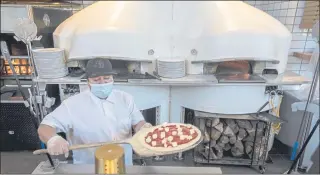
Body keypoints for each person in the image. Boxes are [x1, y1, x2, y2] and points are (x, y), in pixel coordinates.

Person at [38, 58, 152, 164]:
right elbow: (45, 127)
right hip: (89, 168)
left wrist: (143, 128)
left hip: (123, 165)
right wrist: (53, 139)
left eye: (107, 78)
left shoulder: (125, 99)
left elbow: (138, 123)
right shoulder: (73, 105)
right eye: (96, 80)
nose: (102, 83)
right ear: (88, 82)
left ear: (112, 79)